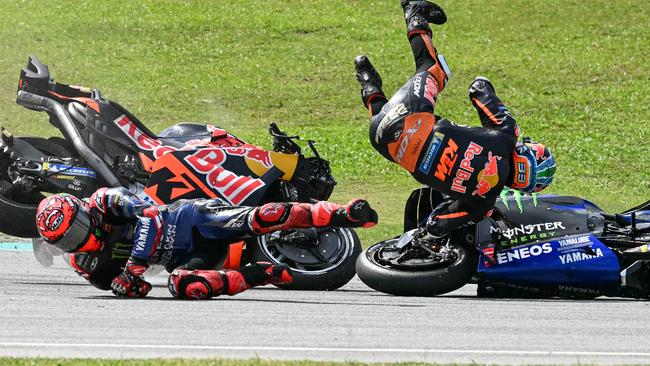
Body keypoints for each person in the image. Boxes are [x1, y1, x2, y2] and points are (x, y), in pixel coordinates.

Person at [354, 0, 556, 241]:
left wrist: (495, 110)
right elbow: (438, 223)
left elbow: (478, 88)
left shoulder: (506, 135)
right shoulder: (483, 204)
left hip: (409, 118)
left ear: (529, 155)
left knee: (434, 69)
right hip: (383, 144)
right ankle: (368, 82)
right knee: (382, 125)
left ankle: (414, 13)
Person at [35, 187, 377, 299]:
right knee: (184, 286)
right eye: (69, 239)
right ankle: (261, 275)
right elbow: (129, 289)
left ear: (83, 210)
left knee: (261, 218)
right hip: (190, 256)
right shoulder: (85, 264)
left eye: (78, 226)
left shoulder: (105, 200)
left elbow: (150, 215)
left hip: (192, 220)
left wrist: (134, 268)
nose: (80, 238)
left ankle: (342, 214)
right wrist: (127, 286)